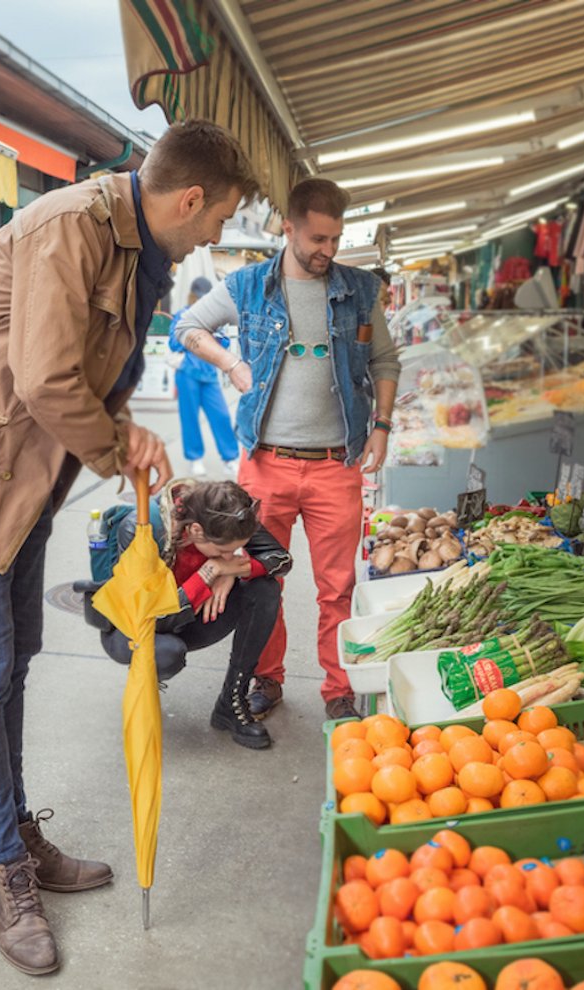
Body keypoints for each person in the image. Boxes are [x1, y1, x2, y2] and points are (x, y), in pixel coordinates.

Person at [0, 119, 257, 976]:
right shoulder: (68, 224)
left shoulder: (137, 247)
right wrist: (119, 448)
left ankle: (9, 835)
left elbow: (84, 374)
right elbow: (44, 376)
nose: (216, 237)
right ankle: (3, 866)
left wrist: (120, 432)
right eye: (219, 219)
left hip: (24, 465)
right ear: (189, 199)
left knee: (15, 654)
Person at [174, 177, 402, 722]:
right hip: (265, 463)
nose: (328, 250)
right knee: (260, 577)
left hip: (335, 464)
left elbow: (385, 363)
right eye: (318, 238)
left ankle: (339, 688)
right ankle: (267, 679)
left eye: (335, 239)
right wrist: (231, 364)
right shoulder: (249, 285)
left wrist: (382, 426)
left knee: (338, 586)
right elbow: (188, 325)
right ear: (288, 227)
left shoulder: (361, 289)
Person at [100, 480, 291, 748]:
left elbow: (282, 559)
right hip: (136, 628)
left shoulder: (226, 514)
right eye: (223, 550)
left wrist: (232, 569)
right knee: (167, 653)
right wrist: (209, 572)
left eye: (232, 550)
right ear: (196, 530)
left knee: (265, 589)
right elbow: (149, 617)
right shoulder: (141, 529)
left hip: (191, 613)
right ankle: (143, 690)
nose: (229, 555)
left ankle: (231, 703)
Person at [168, 276, 240, 477]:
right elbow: (173, 343)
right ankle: (195, 458)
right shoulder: (183, 315)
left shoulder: (215, 318)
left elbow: (224, 345)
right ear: (193, 296)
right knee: (189, 418)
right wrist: (195, 337)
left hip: (209, 375)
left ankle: (230, 458)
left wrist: (210, 336)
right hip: (187, 374)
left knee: (222, 416)